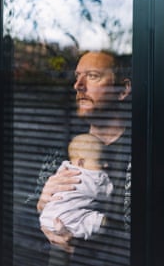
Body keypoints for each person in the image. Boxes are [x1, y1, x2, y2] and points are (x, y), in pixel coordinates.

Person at [37, 51, 132, 266]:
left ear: (123, 89)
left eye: (92, 76)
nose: (78, 85)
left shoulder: (141, 150)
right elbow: (22, 216)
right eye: (77, 76)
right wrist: (42, 205)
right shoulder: (63, 150)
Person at [39, 133, 113, 240]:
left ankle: (62, 231)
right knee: (100, 222)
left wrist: (42, 205)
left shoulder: (65, 168)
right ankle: (66, 233)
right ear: (81, 162)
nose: (106, 165)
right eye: (100, 160)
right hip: (69, 217)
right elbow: (104, 193)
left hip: (47, 218)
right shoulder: (95, 177)